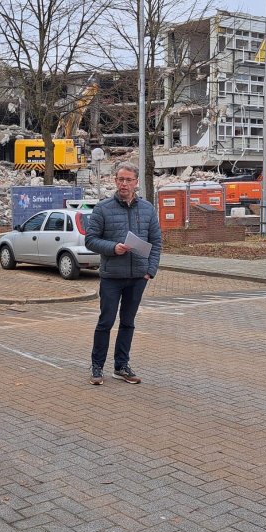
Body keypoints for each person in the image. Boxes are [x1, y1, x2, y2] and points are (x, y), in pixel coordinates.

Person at [84, 162, 162, 386]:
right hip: (111, 277)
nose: (124, 184)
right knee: (106, 322)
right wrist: (113, 248)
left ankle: (121, 366)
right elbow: (90, 240)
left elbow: (156, 242)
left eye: (128, 180)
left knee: (128, 322)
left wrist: (150, 270)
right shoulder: (103, 208)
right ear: (115, 181)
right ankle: (97, 366)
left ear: (136, 182)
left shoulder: (147, 209)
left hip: (138, 277)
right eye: (120, 179)